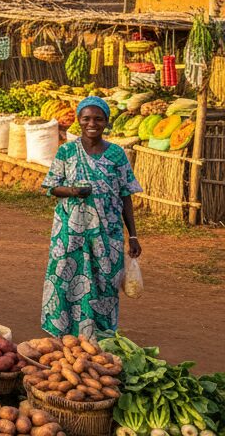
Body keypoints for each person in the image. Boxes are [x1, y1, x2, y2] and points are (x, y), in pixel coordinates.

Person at [41, 96, 142, 338]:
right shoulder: (67, 151)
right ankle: (63, 330)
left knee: (104, 280)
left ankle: (99, 332)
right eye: (86, 118)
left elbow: (126, 195)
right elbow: (51, 187)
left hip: (107, 233)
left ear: (106, 122)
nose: (92, 123)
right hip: (70, 231)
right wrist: (73, 191)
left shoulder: (116, 154)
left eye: (98, 118)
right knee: (65, 275)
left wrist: (133, 235)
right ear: (79, 120)